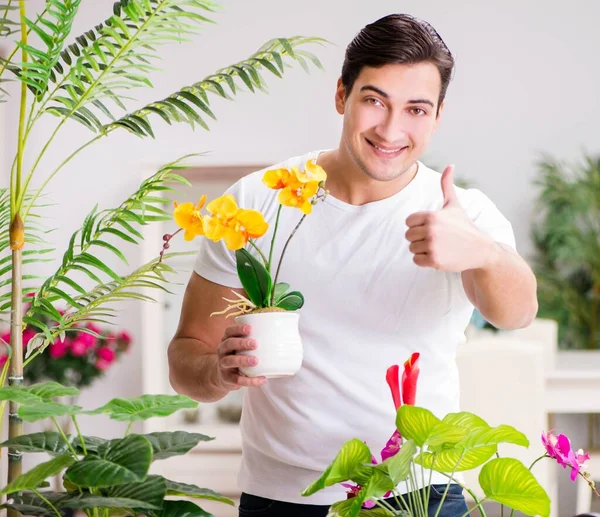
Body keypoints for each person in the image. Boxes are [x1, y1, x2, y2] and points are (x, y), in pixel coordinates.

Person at [167, 13, 538, 517]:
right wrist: (217, 371)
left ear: (437, 116)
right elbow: (186, 355)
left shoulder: (460, 214)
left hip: (420, 490)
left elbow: (517, 313)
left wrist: (483, 253)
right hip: (282, 496)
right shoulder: (257, 201)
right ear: (341, 95)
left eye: (415, 109)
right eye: (374, 101)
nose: (391, 129)